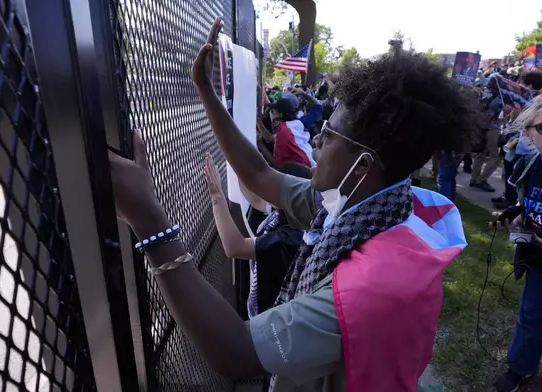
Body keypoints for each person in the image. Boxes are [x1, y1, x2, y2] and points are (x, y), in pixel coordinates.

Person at [108, 18, 472, 392]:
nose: (316, 142)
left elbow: (236, 352)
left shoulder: (371, 287)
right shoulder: (377, 204)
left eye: (328, 136)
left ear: (363, 164)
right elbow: (259, 176)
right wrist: (206, 92)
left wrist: (148, 219)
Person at [203, 155, 311, 318]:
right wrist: (236, 161)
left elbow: (234, 247)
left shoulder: (292, 238)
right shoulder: (291, 212)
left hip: (273, 316)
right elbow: (256, 199)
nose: (268, 187)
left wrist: (216, 196)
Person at [491, 97, 542, 392]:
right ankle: (520, 369)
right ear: (529, 133)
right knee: (531, 314)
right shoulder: (534, 162)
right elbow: (530, 198)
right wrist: (517, 210)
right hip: (536, 259)